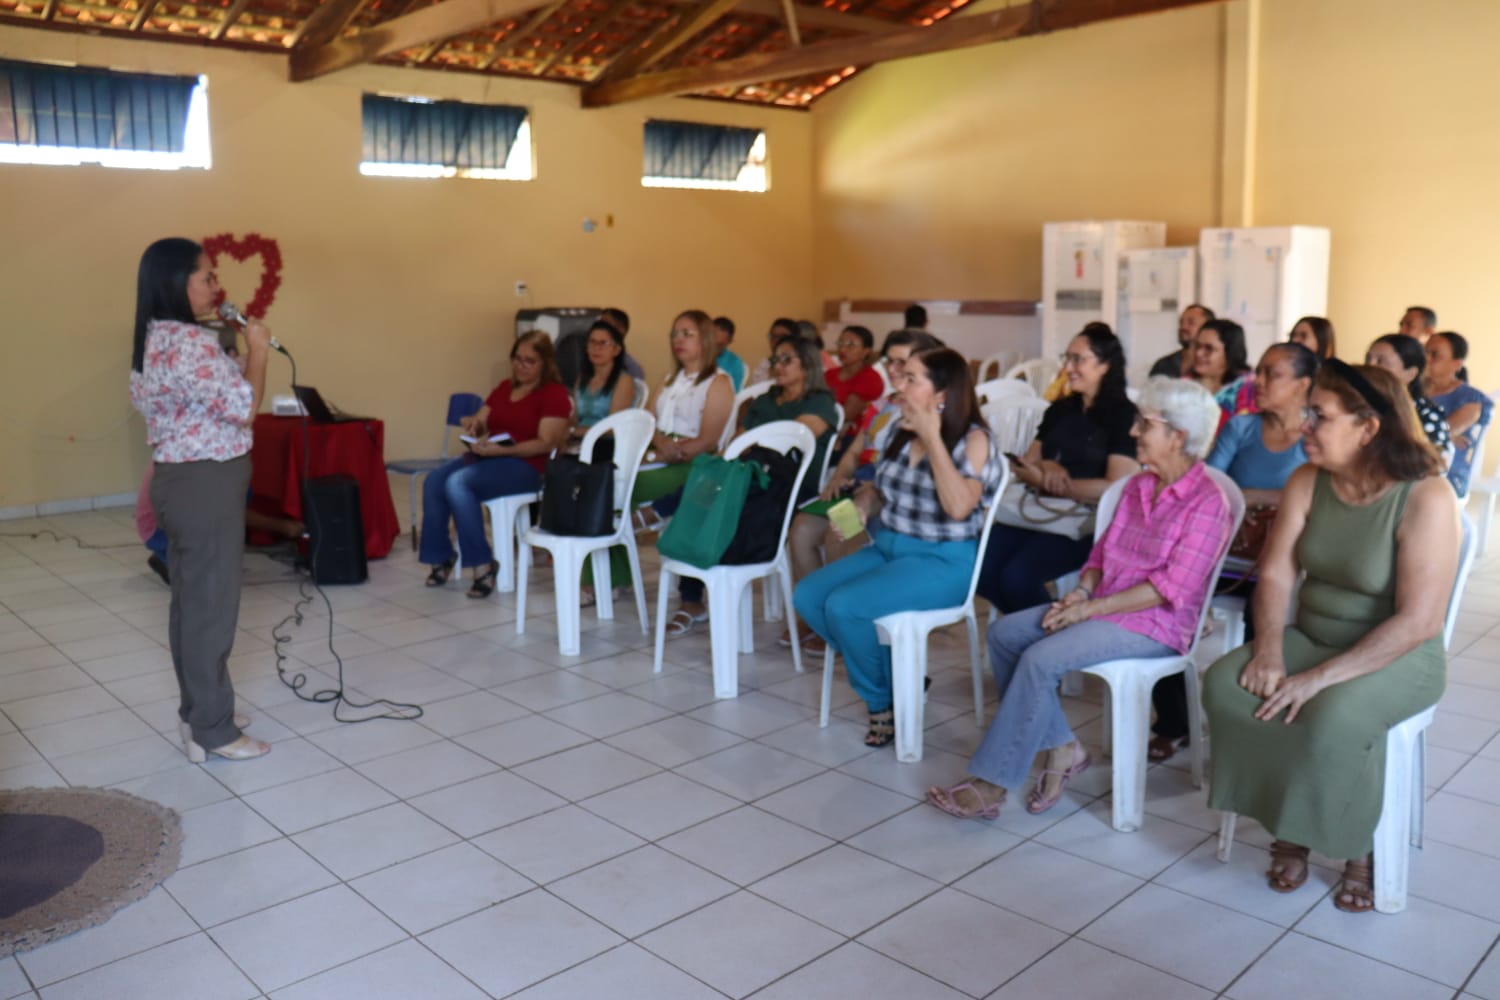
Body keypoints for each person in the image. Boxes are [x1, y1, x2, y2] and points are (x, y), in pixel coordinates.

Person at [1202, 361, 1458, 914]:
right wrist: (1270, 648)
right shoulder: (1306, 481)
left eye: (1319, 415)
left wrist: (1315, 678)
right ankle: (1289, 825)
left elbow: (1419, 622)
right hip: (1314, 635)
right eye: (1307, 411)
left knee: (1333, 712)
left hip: (1399, 654)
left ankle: (1357, 848)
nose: (1304, 425)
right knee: (1227, 683)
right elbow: (1275, 574)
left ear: (1369, 427)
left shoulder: (1426, 496)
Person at [928, 378, 1231, 819]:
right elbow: (1100, 554)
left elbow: (1171, 589)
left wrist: (1092, 608)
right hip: (1104, 605)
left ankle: (992, 784)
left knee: (1040, 659)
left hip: (1156, 623)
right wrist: (1083, 592)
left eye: (1145, 424)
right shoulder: (1138, 487)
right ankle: (1065, 748)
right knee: (1006, 634)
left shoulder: (1208, 502)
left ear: (1178, 436)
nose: (1133, 433)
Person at [795, 348, 1003, 747]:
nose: (899, 385)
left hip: (943, 561)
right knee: (808, 596)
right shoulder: (896, 428)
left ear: (942, 393)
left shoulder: (975, 440)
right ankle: (901, 679)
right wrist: (859, 507)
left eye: (911, 379)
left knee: (845, 606)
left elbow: (960, 506)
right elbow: (880, 489)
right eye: (901, 376)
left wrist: (931, 436)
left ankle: (880, 702)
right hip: (889, 547)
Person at [129, 238, 270, 762]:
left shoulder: (155, 336)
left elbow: (208, 400)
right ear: (175, 282)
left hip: (179, 481)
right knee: (211, 608)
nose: (216, 286)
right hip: (204, 486)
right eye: (207, 277)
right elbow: (243, 409)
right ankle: (215, 729)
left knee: (192, 606)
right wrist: (257, 350)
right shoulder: (188, 343)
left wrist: (232, 357)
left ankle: (200, 710)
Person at [1148, 342, 1318, 762]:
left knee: (1263, 623)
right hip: (1220, 554)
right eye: (1258, 371)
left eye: (1271, 374)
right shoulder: (1242, 427)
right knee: (1163, 608)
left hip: (1280, 564)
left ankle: (1251, 729)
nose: (1257, 382)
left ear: (1303, 385)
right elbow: (1205, 487)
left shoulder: (1314, 440)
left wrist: (1249, 498)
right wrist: (1274, 497)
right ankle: (1174, 722)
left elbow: (1317, 502)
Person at [785, 331, 946, 651]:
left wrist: (867, 487)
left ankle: (845, 624)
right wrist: (840, 475)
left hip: (886, 498)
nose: (894, 370)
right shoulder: (884, 405)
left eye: (904, 363)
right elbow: (856, 450)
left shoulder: (931, 412)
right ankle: (815, 618)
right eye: (891, 362)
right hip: (858, 483)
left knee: (839, 531)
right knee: (801, 528)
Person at [670, 334, 839, 637]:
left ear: (808, 365)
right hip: (751, 478)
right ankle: (692, 599)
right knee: (703, 492)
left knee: (713, 497)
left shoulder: (820, 402)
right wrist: (733, 456)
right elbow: (737, 442)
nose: (779, 365)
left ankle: (657, 512)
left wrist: (753, 444)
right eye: (775, 359)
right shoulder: (764, 400)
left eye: (788, 359)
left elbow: (794, 438)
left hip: (791, 486)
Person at [977, 323, 1139, 614]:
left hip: (1087, 522)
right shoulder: (1061, 409)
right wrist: (1048, 466)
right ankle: (1032, 636)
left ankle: (1049, 638)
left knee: (1017, 577)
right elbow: (1026, 464)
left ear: (1105, 366)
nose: (1068, 367)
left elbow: (1116, 486)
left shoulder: (1123, 416)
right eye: (1067, 358)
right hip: (1037, 511)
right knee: (979, 571)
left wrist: (1054, 484)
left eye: (1078, 359)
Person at [421, 330, 571, 597]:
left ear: (545, 364)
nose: (520, 366)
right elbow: (482, 421)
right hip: (493, 458)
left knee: (458, 483)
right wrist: (474, 425)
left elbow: (547, 442)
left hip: (528, 467)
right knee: (435, 480)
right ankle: (441, 555)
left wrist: (503, 451)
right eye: (517, 358)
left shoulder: (553, 394)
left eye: (529, 361)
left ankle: (483, 564)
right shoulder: (504, 388)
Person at [605, 309, 733, 616]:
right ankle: (616, 574)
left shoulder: (719, 382)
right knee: (608, 482)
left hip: (697, 463)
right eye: (675, 334)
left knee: (618, 489)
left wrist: (678, 451)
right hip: (665, 454)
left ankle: (641, 524)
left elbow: (710, 439)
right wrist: (662, 446)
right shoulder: (669, 379)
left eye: (687, 334)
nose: (679, 340)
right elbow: (648, 419)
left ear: (704, 339)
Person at [1424, 331, 1492, 495]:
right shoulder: (1411, 391)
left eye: (1435, 355)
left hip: (1444, 478)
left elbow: (1439, 436)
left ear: (1457, 364)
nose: (1426, 359)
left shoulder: (1471, 398)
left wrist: (1435, 434)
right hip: (1405, 465)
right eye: (1424, 352)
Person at [1365, 333, 1451, 455]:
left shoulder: (1425, 414)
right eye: (1368, 359)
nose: (1370, 366)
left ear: (1410, 374)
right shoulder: (1357, 402)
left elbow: (1433, 466)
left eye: (1381, 361)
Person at [570, 319, 633, 436]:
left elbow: (613, 427)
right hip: (578, 441)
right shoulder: (582, 378)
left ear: (617, 349)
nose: (596, 348)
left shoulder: (624, 381)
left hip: (607, 443)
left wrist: (575, 432)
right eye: (592, 342)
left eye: (603, 343)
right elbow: (574, 419)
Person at [823, 325, 884, 430]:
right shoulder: (829, 374)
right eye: (840, 343)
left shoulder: (870, 378)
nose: (842, 349)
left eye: (850, 345)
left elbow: (847, 415)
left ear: (866, 351)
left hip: (851, 435)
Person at [1192, 318, 1255, 418]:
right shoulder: (1186, 384)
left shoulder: (1248, 387)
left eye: (1209, 348)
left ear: (1230, 352)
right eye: (1197, 346)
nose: (1198, 353)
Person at [1149, 304, 1215, 379]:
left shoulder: (1212, 366)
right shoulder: (1164, 364)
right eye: (1181, 322)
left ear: (1208, 328)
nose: (1183, 327)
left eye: (1191, 323)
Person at [748, 317, 800, 386]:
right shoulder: (765, 364)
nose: (776, 340)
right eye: (773, 336)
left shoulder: (802, 361)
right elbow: (757, 391)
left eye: (782, 336)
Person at [599, 306, 647, 380]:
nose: (598, 328)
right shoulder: (590, 357)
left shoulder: (632, 370)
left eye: (605, 325)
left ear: (621, 331)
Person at [712, 315, 747, 391]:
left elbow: (734, 394)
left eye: (719, 345)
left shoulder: (735, 363)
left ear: (729, 342)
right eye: (711, 342)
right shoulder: (694, 355)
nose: (714, 348)